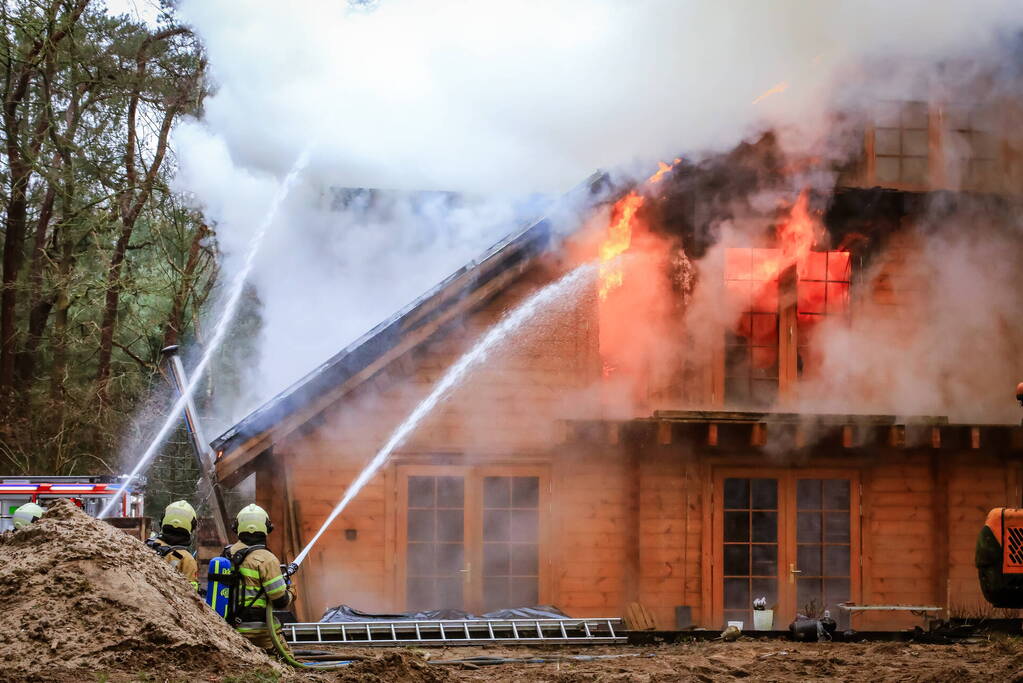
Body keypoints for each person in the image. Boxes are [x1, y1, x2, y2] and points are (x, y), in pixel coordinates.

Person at [225, 504, 294, 652]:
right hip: (259, 632)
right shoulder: (267, 560)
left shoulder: (227, 553)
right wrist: (291, 591)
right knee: (285, 663)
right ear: (267, 529)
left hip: (228, 628)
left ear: (237, 527)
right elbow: (279, 601)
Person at [146, 500, 199, 591]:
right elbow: (191, 595)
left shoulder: (147, 545)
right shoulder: (187, 559)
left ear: (163, 521)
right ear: (191, 527)